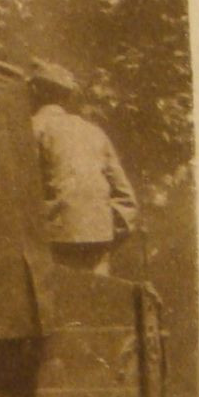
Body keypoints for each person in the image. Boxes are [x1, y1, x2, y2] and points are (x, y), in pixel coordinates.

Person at [29, 59, 139, 274]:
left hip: (52, 244)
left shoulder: (31, 128)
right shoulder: (94, 132)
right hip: (98, 245)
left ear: (33, 90)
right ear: (67, 96)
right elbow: (128, 201)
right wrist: (101, 233)